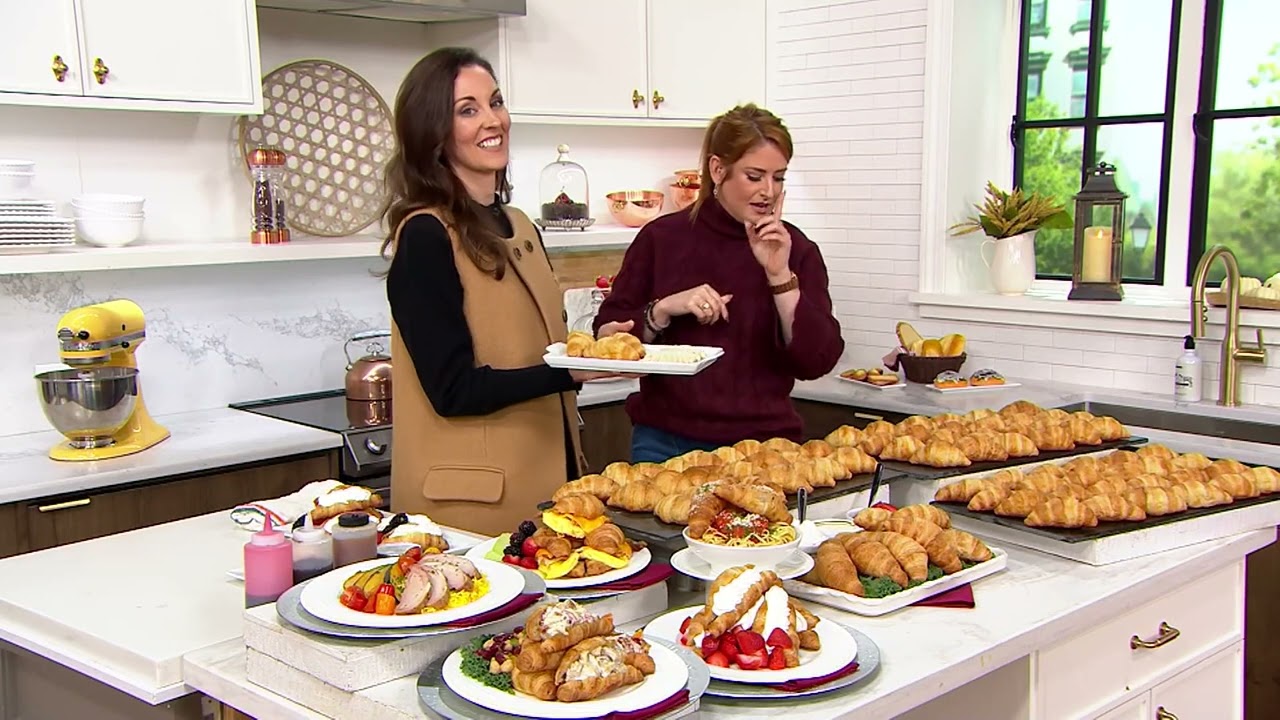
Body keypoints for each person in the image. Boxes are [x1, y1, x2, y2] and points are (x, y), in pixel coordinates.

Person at [382, 47, 630, 535]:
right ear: (433, 133)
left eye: (495, 102)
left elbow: (531, 349)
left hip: (547, 489)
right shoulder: (426, 236)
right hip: (470, 511)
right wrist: (569, 372)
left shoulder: (518, 224)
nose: (492, 119)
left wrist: (592, 350)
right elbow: (453, 390)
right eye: (467, 110)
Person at [593, 104, 844, 463]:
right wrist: (662, 310)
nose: (769, 192)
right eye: (754, 176)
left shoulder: (796, 250)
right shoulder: (661, 239)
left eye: (779, 178)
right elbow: (608, 339)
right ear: (717, 169)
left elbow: (817, 361)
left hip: (765, 449)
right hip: (667, 445)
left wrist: (779, 276)